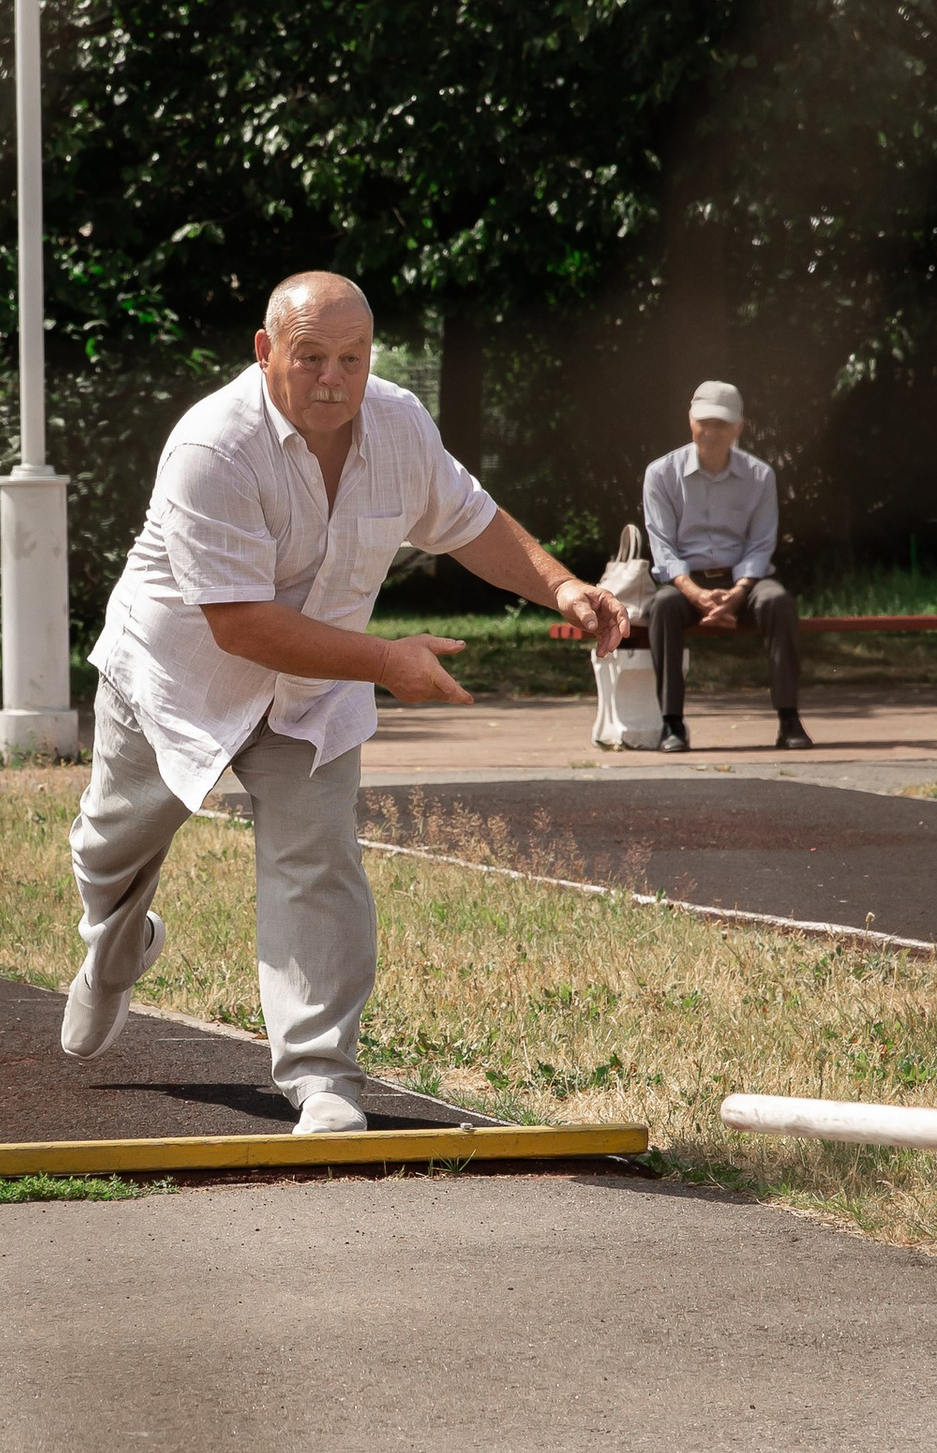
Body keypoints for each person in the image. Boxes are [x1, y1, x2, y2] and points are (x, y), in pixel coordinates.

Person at [69, 269, 629, 1131]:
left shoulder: (400, 422)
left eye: (352, 358)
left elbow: (467, 517)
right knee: (110, 848)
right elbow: (241, 625)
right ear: (266, 352)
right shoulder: (211, 448)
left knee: (317, 862)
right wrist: (384, 661)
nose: (333, 377)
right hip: (175, 681)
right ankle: (117, 946)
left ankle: (323, 1078)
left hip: (313, 694)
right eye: (311, 356)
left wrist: (560, 586)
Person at [640, 379, 809, 753]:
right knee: (664, 606)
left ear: (739, 427)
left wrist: (739, 591)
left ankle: (789, 718)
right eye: (705, 422)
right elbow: (662, 545)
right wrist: (695, 593)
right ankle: (671, 723)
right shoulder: (661, 474)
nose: (712, 432)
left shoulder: (760, 475)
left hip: (744, 580)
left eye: (722, 424)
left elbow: (762, 543)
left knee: (777, 601)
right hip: (684, 581)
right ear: (690, 421)